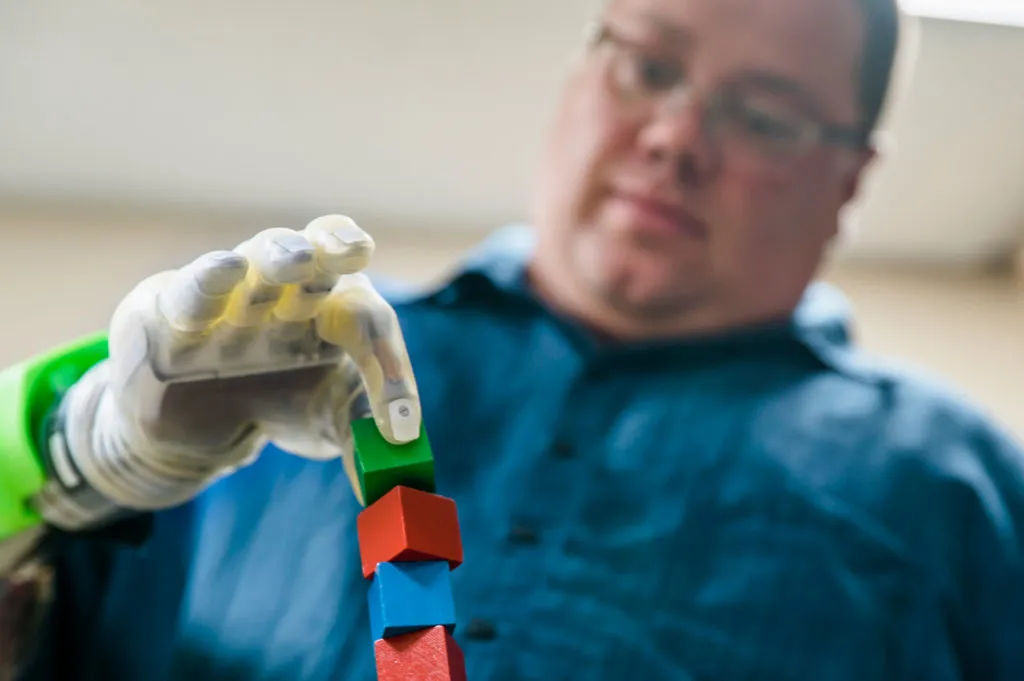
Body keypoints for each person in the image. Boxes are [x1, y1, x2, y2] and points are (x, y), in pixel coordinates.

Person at [1, 0, 1022, 678]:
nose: (675, 137)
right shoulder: (262, 350)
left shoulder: (957, 484)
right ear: (581, 75)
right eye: (649, 65)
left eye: (765, 115)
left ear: (849, 178)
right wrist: (88, 460)